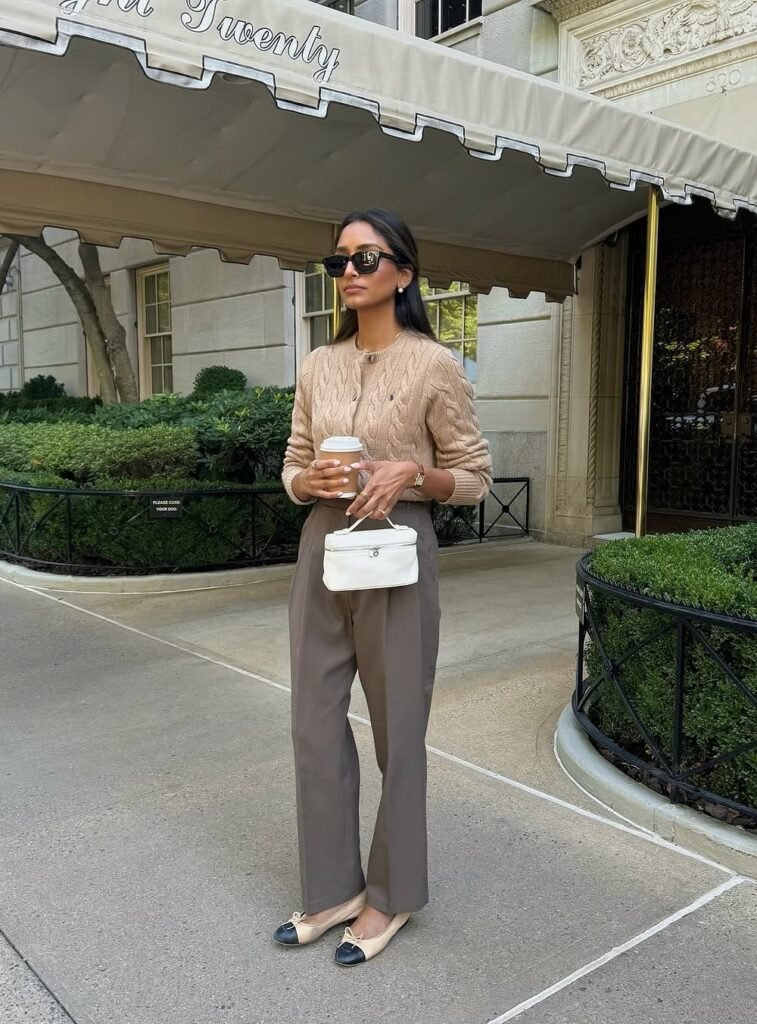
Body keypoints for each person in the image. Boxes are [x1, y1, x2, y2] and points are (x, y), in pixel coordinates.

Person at [274, 209, 492, 966]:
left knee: (398, 729)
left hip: (398, 549)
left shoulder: (434, 364)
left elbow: (472, 476)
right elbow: (292, 462)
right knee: (311, 720)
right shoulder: (315, 366)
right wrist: (308, 479)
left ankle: (392, 896)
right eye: (339, 261)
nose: (349, 274)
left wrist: (413, 473)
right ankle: (334, 886)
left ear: (403, 271)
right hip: (323, 546)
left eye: (365, 259)